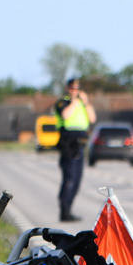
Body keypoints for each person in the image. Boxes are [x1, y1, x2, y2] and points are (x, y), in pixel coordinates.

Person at [54, 76, 96, 221]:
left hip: (80, 144)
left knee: (77, 179)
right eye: (72, 88)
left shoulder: (83, 104)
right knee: (70, 178)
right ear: (68, 89)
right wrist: (74, 101)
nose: (75, 91)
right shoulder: (63, 103)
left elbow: (92, 119)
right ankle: (64, 209)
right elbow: (65, 115)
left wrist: (86, 103)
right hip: (68, 144)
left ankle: (69, 209)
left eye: (77, 89)